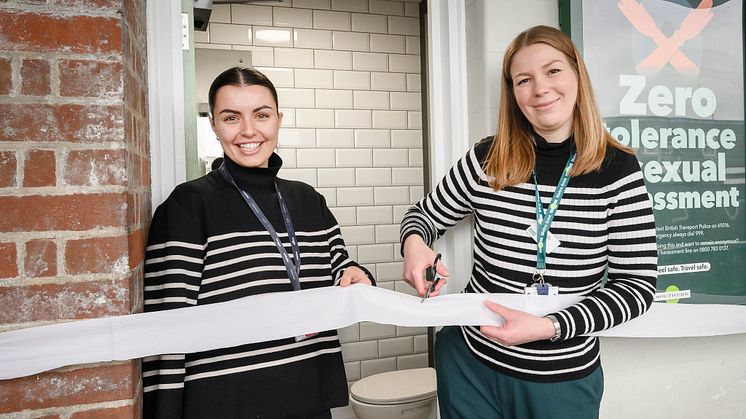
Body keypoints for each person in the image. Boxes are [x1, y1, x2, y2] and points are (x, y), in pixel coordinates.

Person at [400, 25, 657, 419]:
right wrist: (415, 244)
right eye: (524, 80)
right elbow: (422, 216)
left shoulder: (617, 169)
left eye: (553, 71)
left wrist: (550, 326)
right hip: (469, 363)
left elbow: (637, 288)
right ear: (513, 93)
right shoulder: (488, 158)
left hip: (561, 379)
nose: (540, 89)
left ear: (577, 76)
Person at [143, 67, 374, 419]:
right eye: (231, 117)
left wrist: (357, 276)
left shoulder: (309, 200)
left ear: (279, 119)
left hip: (308, 395)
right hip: (225, 404)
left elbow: (339, 266)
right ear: (214, 125)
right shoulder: (188, 205)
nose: (248, 131)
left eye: (261, 115)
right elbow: (168, 329)